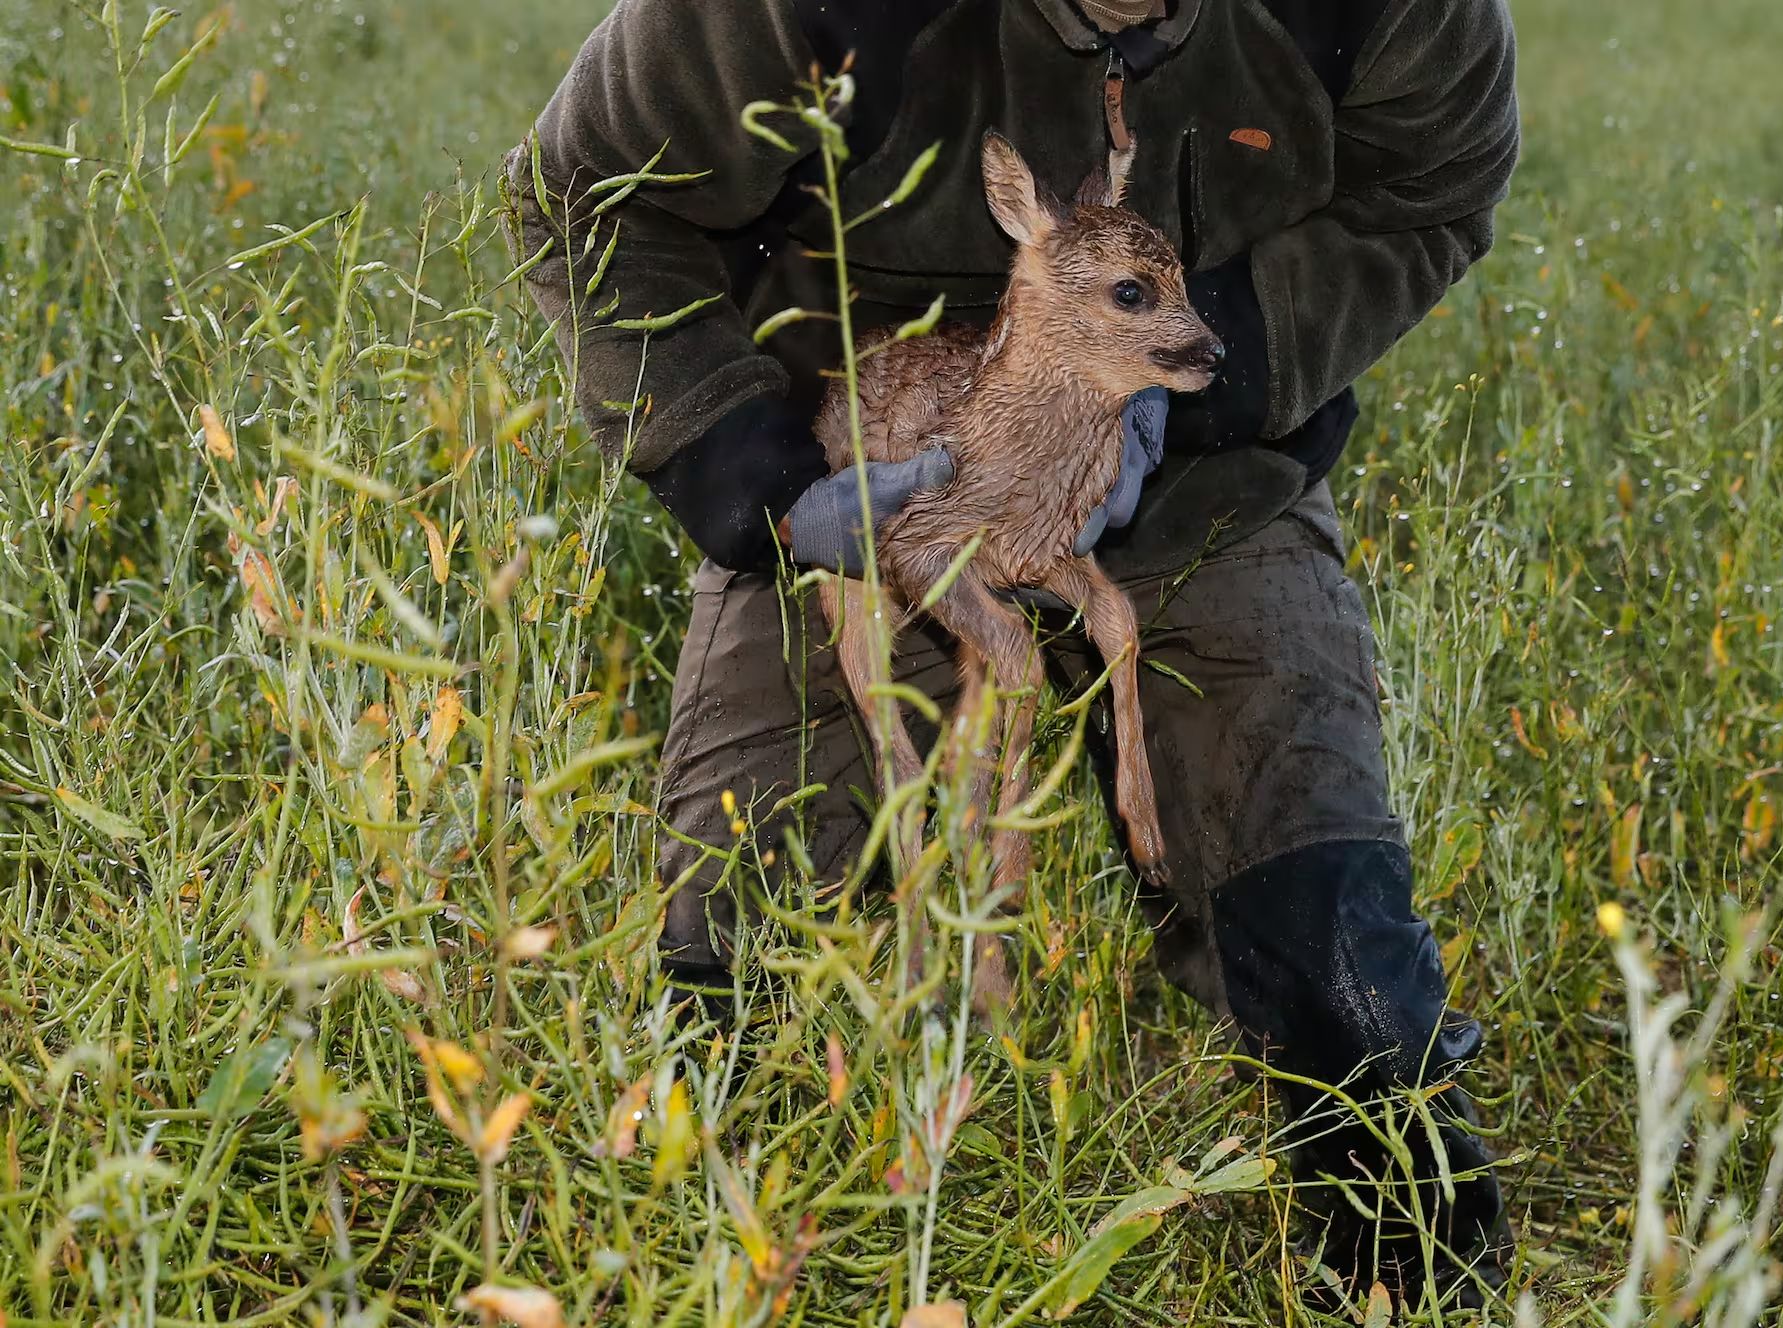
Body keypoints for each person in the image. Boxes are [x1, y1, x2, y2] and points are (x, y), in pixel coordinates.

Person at [507, 0, 1519, 1303]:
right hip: (875, 500)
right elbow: (587, 197)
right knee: (729, 990)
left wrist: (1228, 361)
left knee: (1348, 991)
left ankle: (1401, 1282)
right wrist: (748, 468)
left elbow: (1430, 192)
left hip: (1205, 487)